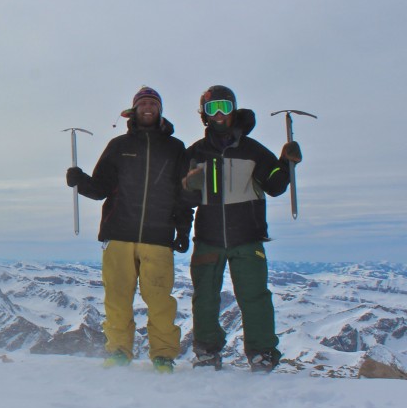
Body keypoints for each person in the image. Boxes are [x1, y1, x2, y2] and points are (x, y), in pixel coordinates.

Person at [67, 86, 193, 373]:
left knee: (160, 299)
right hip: (119, 233)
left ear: (159, 110)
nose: (148, 107)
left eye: (153, 103)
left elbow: (184, 194)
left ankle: (162, 355)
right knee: (117, 298)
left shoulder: (175, 149)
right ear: (134, 110)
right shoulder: (117, 146)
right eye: (143, 103)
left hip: (159, 237)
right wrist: (79, 180)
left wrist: (184, 230)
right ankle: (119, 350)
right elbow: (100, 188)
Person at [182, 85, 302, 373]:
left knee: (254, 296)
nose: (220, 113)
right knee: (205, 296)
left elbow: (274, 185)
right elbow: (180, 198)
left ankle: (262, 353)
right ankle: (207, 351)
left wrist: (286, 162)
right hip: (208, 237)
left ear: (234, 110)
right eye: (213, 108)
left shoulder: (253, 150)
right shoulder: (195, 152)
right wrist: (188, 186)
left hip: (247, 237)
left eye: (225, 106)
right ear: (204, 115)